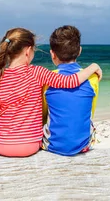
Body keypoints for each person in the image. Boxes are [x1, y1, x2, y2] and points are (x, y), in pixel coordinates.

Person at [0, 27, 102, 158]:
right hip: (32, 146)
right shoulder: (37, 72)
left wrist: (5, 134)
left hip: (4, 147)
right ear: (28, 51)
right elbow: (69, 81)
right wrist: (93, 67)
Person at [42, 25, 99, 156]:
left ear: (52, 54)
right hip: (83, 145)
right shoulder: (92, 78)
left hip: (53, 145)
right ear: (79, 51)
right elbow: (91, 111)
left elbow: (44, 114)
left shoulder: (47, 79)